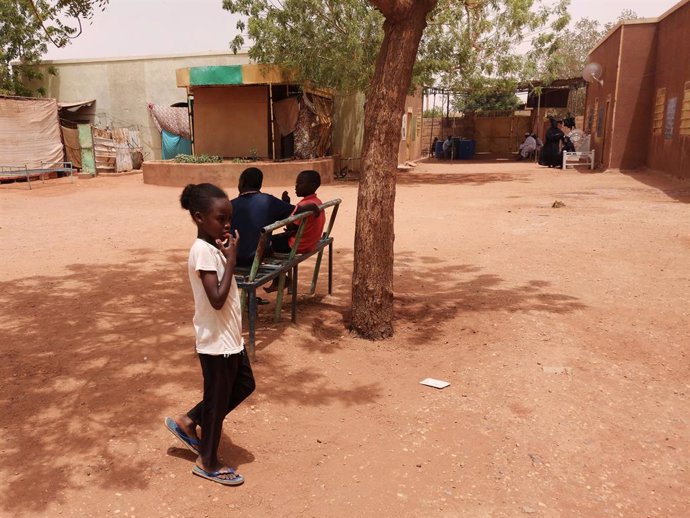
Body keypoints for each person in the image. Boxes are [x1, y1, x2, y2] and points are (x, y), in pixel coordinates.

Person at [165, 183, 255, 487]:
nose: (227, 224)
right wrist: (231, 260)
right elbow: (216, 298)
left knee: (244, 384)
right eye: (220, 218)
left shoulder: (214, 245)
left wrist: (227, 254)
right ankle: (207, 460)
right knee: (216, 403)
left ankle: (189, 421)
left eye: (229, 218)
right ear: (199, 217)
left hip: (229, 339)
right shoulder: (202, 250)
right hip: (217, 344)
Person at [265, 170, 325, 292]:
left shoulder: (305, 205)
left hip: (297, 245)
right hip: (311, 242)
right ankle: (279, 278)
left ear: (312, 185)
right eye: (296, 183)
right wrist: (287, 205)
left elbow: (291, 225)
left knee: (264, 245)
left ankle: (279, 277)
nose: (296, 186)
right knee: (273, 240)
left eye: (300, 183)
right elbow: (294, 225)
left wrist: (288, 206)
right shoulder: (316, 201)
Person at [230, 167, 294, 268]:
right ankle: (281, 280)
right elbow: (295, 212)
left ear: (242, 183)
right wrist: (286, 204)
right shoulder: (269, 201)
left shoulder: (230, 205)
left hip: (232, 258)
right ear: (260, 185)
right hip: (259, 258)